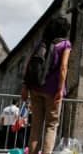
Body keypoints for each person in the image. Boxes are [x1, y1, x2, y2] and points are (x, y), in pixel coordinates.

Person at [21, 16, 72, 154]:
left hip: (35, 87)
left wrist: (25, 86)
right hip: (53, 91)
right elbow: (63, 68)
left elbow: (28, 64)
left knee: (35, 127)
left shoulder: (41, 43)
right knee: (51, 126)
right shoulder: (65, 44)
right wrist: (60, 90)